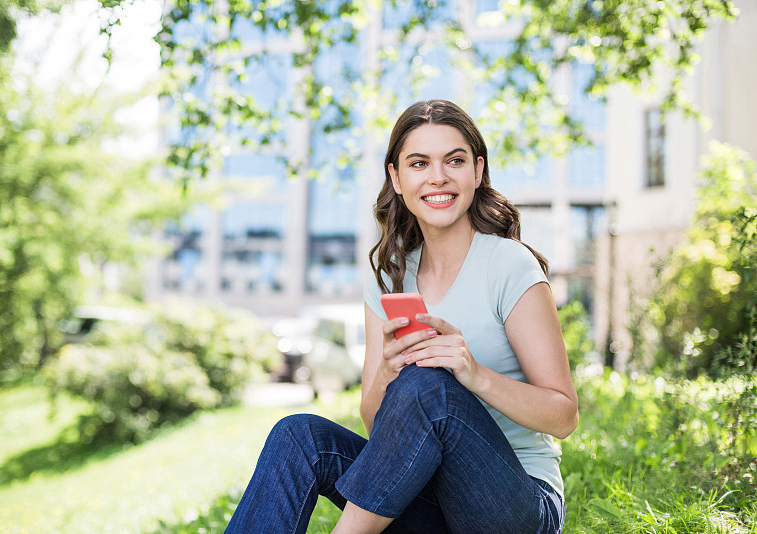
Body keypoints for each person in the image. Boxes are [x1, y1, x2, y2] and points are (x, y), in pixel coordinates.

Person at [224, 99, 579, 534]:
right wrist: (389, 373)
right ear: (396, 176)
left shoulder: (508, 265)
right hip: (430, 502)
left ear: (477, 171)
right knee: (298, 436)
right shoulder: (390, 278)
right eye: (418, 163)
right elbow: (378, 429)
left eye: (454, 160)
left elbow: (564, 417)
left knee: (432, 385)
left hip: (517, 505)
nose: (438, 177)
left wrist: (472, 373)